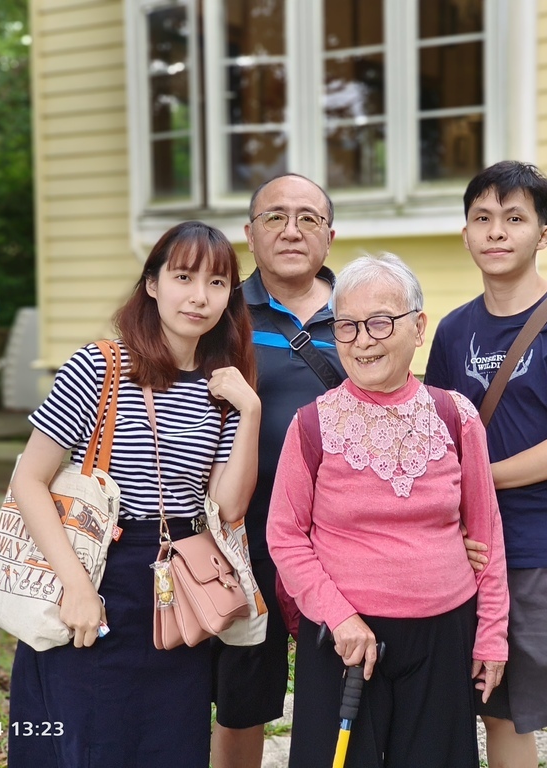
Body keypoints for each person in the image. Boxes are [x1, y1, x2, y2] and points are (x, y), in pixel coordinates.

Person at [8, 221, 261, 767]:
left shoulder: (222, 386)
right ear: (152, 284)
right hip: (97, 573)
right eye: (183, 276)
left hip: (177, 589)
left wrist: (251, 411)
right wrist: (77, 588)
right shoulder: (99, 366)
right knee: (93, 744)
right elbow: (28, 480)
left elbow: (229, 508)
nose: (199, 296)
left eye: (217, 283)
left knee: (173, 746)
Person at [268, 253, 509, 768]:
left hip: (444, 633)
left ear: (418, 327)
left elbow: (488, 536)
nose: (362, 339)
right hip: (342, 639)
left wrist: (491, 635)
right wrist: (340, 618)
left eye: (379, 321)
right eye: (347, 326)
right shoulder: (312, 424)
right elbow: (285, 537)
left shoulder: (455, 416)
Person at [424, 160, 547, 768]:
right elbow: (440, 440)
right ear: (465, 233)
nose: (496, 232)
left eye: (515, 218)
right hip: (478, 554)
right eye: (482, 218)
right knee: (500, 715)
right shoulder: (454, 330)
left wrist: (475, 484)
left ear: (543, 234)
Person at [210, 173, 344, 768]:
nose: (292, 230)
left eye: (309, 218)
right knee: (242, 700)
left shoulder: (364, 310)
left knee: (344, 689)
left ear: (330, 236)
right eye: (275, 217)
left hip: (345, 541)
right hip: (244, 539)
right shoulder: (220, 313)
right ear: (249, 233)